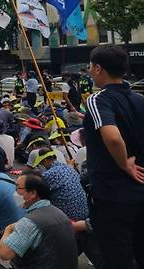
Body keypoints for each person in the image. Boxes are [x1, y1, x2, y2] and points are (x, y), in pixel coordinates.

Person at [84, 45, 144, 268]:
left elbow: (113, 138)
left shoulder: (99, 100)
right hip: (140, 193)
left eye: (90, 67)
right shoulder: (139, 99)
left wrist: (124, 163)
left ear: (98, 68)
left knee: (117, 259)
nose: (89, 71)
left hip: (112, 196)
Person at [0, 173, 78, 269]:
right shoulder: (60, 214)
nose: (14, 192)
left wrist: (8, 230)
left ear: (32, 193)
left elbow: (5, 254)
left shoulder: (30, 222)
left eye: (18, 188)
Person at [33, 147, 88, 221]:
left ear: (45, 160)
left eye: (41, 163)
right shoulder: (69, 167)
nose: (42, 166)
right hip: (84, 212)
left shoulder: (48, 174)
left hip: (69, 217)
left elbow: (39, 194)